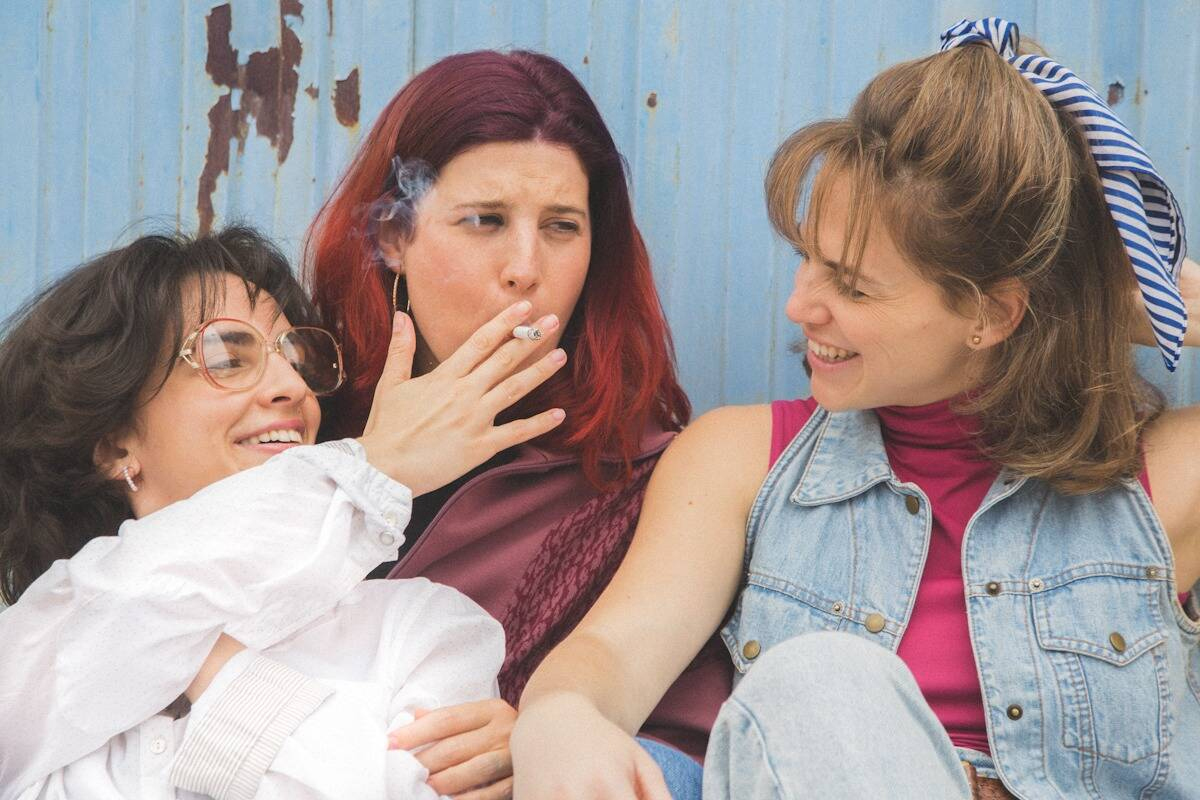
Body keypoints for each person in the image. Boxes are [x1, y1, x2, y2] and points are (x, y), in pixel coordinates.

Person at [511, 19, 1200, 799]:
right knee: (819, 681)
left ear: (992, 314)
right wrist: (560, 715)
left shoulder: (1163, 477)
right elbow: (612, 654)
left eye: (854, 287)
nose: (800, 305)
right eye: (807, 258)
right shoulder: (740, 462)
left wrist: (1128, 303)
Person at [0, 226, 569, 799]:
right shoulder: (43, 640)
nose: (292, 385)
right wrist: (372, 468)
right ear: (114, 445)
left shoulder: (419, 629)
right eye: (226, 355)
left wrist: (212, 659)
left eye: (296, 356)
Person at [306, 50, 729, 797]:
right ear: (395, 236)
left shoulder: (642, 481)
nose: (525, 268)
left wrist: (550, 737)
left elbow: (698, 761)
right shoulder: (294, 422)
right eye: (485, 220)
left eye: (562, 226)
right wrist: (374, 469)